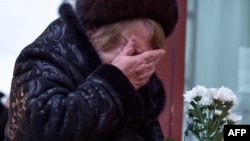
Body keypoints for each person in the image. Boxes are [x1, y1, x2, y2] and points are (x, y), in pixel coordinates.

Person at [4, 0, 178, 140]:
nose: (138, 64)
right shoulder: (43, 58)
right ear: (96, 34)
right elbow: (41, 130)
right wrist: (116, 83)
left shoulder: (135, 80)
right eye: (132, 51)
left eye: (148, 58)